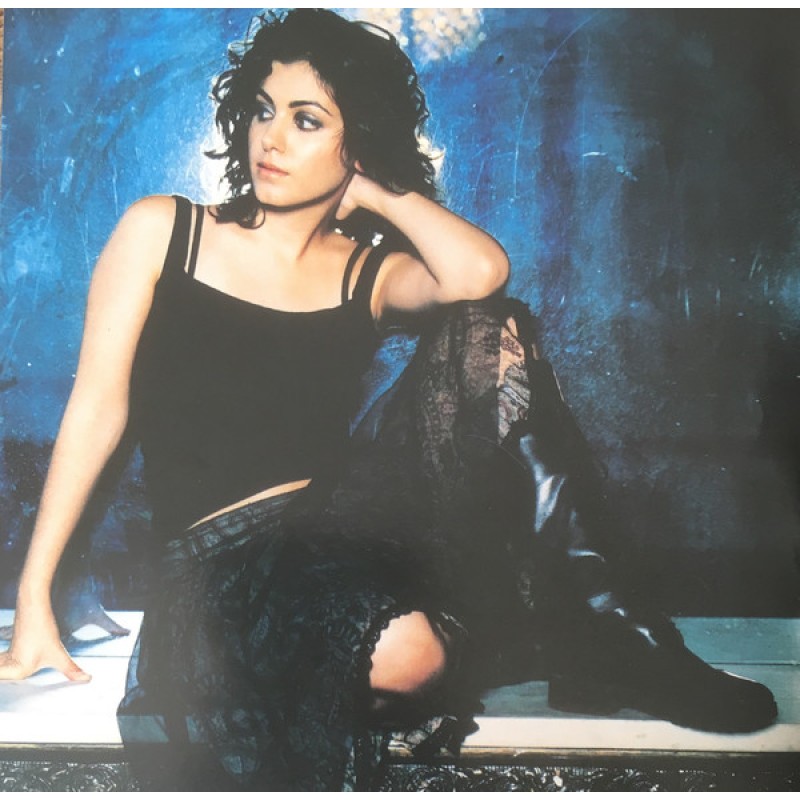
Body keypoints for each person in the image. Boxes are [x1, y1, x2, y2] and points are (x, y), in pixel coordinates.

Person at [0, 8, 777, 792]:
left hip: (337, 529)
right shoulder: (165, 230)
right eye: (264, 111)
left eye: (307, 120)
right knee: (408, 657)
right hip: (218, 569)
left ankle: (616, 629)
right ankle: (556, 632)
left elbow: (480, 275)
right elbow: (97, 409)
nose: (271, 139)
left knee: (490, 327)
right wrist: (35, 596)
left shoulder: (363, 271)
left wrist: (374, 191)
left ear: (357, 142)